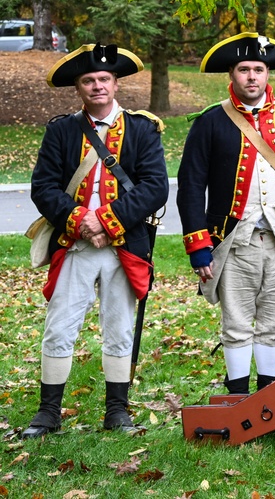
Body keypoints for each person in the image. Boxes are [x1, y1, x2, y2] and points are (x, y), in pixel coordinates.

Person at [23, 43, 169, 438]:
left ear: (116, 83)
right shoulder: (61, 130)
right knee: (60, 326)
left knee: (119, 326)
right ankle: (48, 413)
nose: (97, 86)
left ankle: (117, 411)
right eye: (89, 80)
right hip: (75, 244)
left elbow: (155, 188)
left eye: (104, 79)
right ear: (78, 87)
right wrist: (80, 220)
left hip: (123, 245)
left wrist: (107, 220)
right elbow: (44, 187)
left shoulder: (142, 129)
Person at [176, 32, 275, 395]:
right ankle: (238, 398)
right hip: (233, 239)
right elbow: (192, 186)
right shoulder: (210, 121)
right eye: (243, 69)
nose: (251, 77)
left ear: (267, 74)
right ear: (231, 73)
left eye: (258, 69)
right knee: (237, 321)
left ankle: (268, 400)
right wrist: (198, 246)